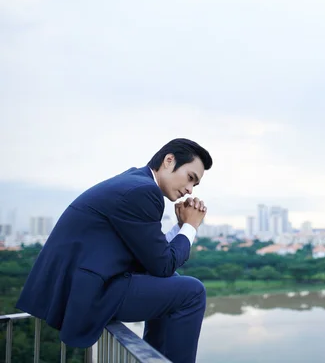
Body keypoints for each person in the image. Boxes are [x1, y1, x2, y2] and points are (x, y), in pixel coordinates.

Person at [16, 138, 212, 363]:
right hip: (88, 292)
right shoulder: (144, 192)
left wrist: (179, 226)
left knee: (175, 283)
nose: (189, 190)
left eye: (195, 186)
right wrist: (190, 226)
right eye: (190, 178)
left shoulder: (135, 182)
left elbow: (153, 257)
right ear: (169, 161)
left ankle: (155, 359)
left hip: (78, 286)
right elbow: (163, 265)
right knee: (192, 292)